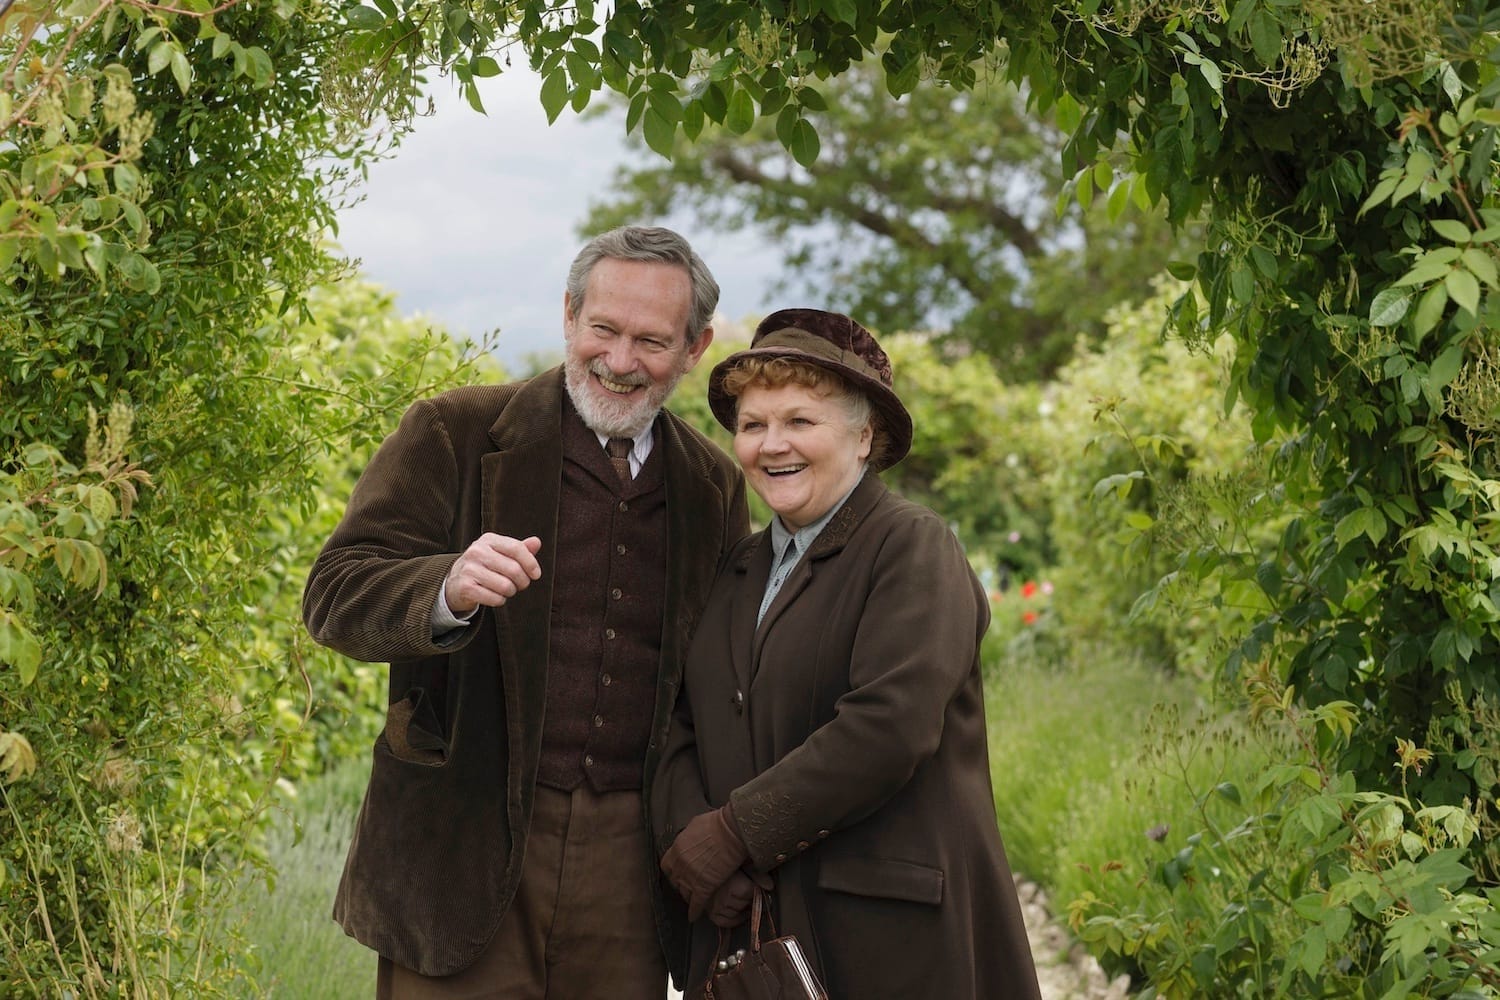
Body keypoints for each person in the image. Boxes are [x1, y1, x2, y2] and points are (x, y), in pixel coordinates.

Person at [302, 225, 750, 999]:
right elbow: (334, 593)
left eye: (651, 341)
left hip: (630, 865)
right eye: (604, 329)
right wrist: (445, 587)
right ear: (570, 316)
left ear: (695, 347)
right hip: (458, 843)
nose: (619, 361)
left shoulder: (713, 484)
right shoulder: (454, 431)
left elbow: (723, 674)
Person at [652, 308, 1043, 999]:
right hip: (758, 937)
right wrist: (700, 851)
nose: (772, 445)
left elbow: (889, 726)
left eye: (800, 421)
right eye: (753, 425)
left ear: (865, 438)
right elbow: (683, 720)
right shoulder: (738, 567)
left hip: (885, 937)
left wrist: (737, 833)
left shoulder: (911, 547)